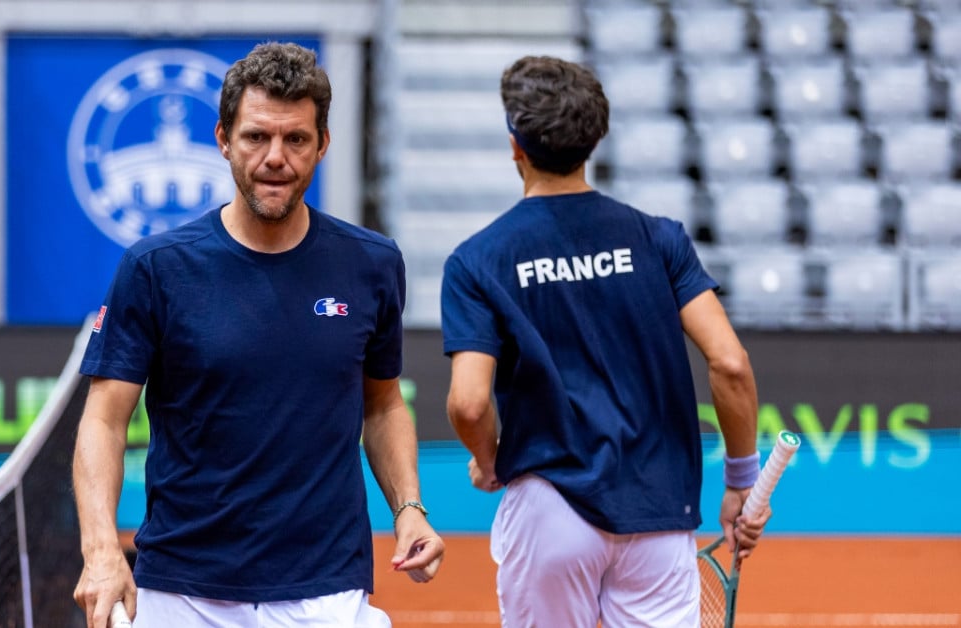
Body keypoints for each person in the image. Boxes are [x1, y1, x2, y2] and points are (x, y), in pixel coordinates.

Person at [72, 42, 444, 628]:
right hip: (182, 592)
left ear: (323, 144)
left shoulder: (372, 264)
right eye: (256, 137)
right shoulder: (155, 268)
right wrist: (100, 552)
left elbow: (382, 404)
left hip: (326, 590)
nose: (276, 157)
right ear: (223, 139)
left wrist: (409, 508)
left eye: (296, 139)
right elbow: (103, 419)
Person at [441, 55, 766, 626]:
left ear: (516, 146)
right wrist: (741, 480)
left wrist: (490, 460)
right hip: (658, 510)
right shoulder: (659, 238)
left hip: (549, 507)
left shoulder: (477, 260)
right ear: (594, 140)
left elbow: (468, 404)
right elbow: (730, 363)